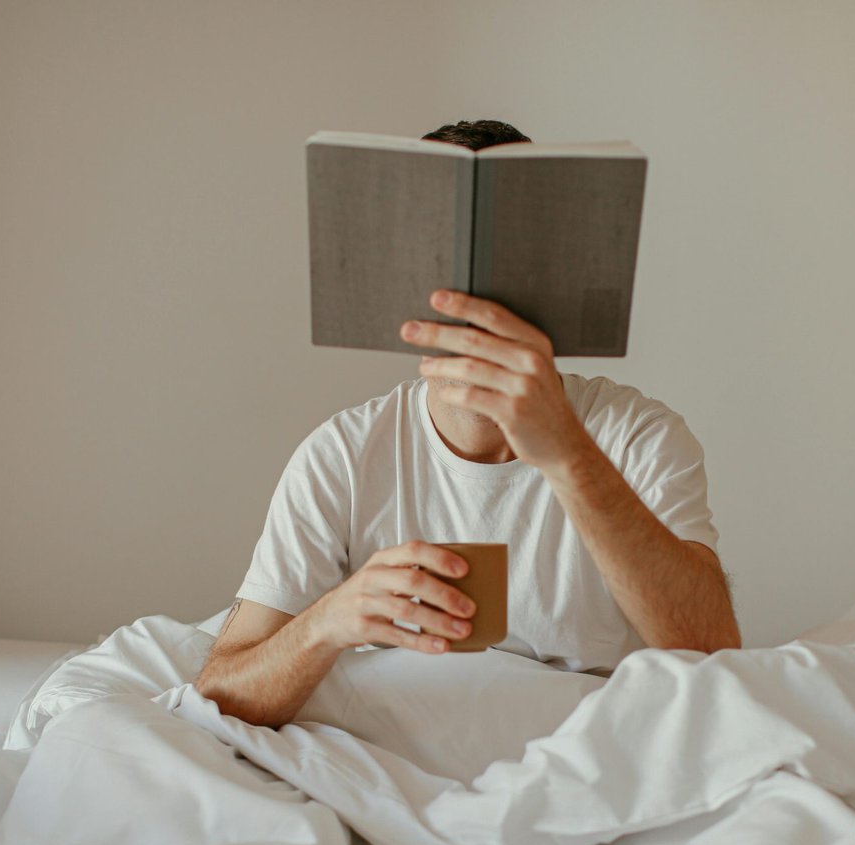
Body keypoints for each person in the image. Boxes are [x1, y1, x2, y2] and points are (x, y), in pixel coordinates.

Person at [195, 119, 740, 727]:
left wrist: (567, 455)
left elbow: (715, 656)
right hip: (401, 749)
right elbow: (221, 693)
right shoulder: (341, 456)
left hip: (587, 749)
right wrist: (328, 620)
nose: (475, 314)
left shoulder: (639, 436)